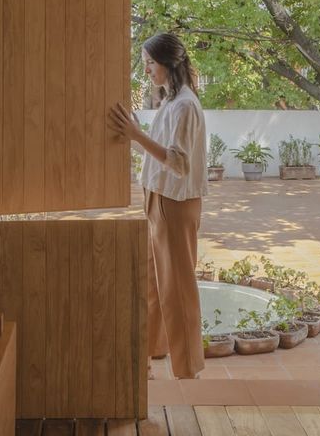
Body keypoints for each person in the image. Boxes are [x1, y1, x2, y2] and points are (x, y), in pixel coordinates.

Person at [108, 32, 208, 380]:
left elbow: (178, 163)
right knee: (152, 281)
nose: (146, 69)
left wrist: (136, 136)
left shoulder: (184, 106)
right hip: (157, 196)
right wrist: (129, 137)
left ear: (167, 63)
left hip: (174, 202)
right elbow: (158, 153)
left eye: (150, 62)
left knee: (177, 286)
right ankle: (152, 351)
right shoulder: (169, 101)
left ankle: (188, 367)